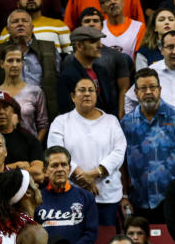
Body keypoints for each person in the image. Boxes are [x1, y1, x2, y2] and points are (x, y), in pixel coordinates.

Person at [48, 77, 126, 227]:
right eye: (81, 90)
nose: (87, 94)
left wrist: (94, 174)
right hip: (72, 192)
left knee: (105, 240)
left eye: (91, 90)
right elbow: (56, 151)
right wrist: (81, 177)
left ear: (96, 95)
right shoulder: (61, 122)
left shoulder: (111, 121)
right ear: (72, 96)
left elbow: (119, 152)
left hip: (106, 195)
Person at [121, 68, 175, 224]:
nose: (148, 91)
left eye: (152, 87)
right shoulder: (127, 123)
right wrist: (124, 195)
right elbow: (121, 163)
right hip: (138, 201)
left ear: (160, 89)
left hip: (172, 200)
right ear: (135, 92)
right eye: (143, 88)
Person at [35, 146, 98, 244]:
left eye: (64, 165)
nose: (60, 169)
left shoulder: (86, 197)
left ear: (69, 169)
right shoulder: (36, 199)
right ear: (45, 171)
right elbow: (32, 235)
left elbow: (91, 233)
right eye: (54, 165)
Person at [0, 45, 48, 140]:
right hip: (0, 148)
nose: (14, 65)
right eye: (10, 60)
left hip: (28, 148)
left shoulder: (35, 92)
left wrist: (35, 147)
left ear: (22, 64)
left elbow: (43, 125)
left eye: (18, 61)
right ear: (2, 64)